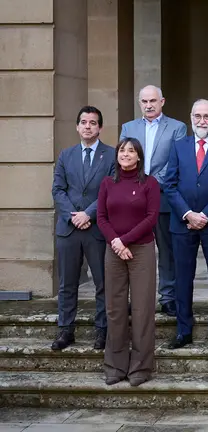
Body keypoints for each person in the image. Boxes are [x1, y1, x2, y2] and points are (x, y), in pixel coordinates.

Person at [163, 99, 208, 350]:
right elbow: (169, 184)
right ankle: (183, 330)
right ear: (190, 117)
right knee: (183, 278)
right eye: (198, 116)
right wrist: (187, 214)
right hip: (182, 223)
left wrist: (205, 214)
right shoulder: (177, 147)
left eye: (207, 116)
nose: (202, 120)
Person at [97, 137, 161, 387]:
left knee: (143, 309)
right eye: (122, 151)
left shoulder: (149, 183)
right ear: (117, 156)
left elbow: (151, 217)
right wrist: (116, 242)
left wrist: (124, 241)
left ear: (139, 156)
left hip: (142, 250)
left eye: (131, 151)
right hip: (114, 251)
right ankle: (115, 366)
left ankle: (141, 367)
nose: (125, 154)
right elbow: (101, 217)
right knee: (114, 308)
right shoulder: (106, 183)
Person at [51, 106, 115, 350]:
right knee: (67, 283)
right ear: (77, 126)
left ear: (100, 128)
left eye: (93, 122)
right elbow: (58, 190)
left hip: (97, 229)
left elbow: (110, 190)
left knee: (102, 282)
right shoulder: (66, 155)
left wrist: (88, 214)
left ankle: (102, 331)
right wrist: (73, 216)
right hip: (68, 229)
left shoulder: (111, 155)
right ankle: (66, 330)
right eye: (84, 122)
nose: (88, 126)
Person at [120, 85, 187, 316]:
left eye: (153, 101)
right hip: (132, 200)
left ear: (162, 101)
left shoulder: (177, 127)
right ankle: (135, 298)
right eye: (144, 101)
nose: (148, 105)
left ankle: (167, 297)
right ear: (139, 103)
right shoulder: (129, 127)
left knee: (166, 250)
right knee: (134, 249)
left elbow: (175, 162)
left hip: (163, 198)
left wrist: (148, 183)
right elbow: (123, 159)